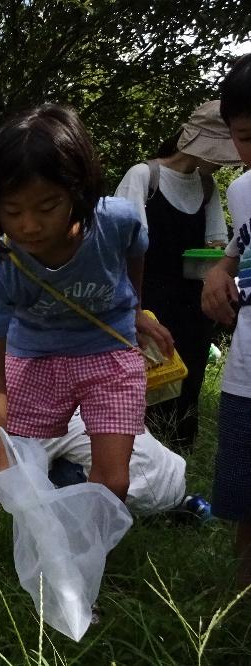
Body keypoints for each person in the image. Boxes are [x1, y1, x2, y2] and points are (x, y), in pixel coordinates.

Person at [0, 104, 173, 615]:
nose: (29, 225)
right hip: (36, 361)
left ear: (78, 192)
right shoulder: (1, 271)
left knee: (113, 480)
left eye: (46, 206)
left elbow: (134, 256)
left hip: (108, 353)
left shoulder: (116, 221)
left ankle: (75, 583)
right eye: (12, 210)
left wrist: (134, 311)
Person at [115, 101, 241, 451]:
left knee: (186, 394)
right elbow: (121, 249)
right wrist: (133, 312)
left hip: (193, 309)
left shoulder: (208, 187)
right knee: (141, 396)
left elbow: (218, 246)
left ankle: (176, 484)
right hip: (146, 307)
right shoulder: (144, 176)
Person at [200, 53, 251, 587]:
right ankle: (238, 609)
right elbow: (239, 250)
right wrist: (221, 269)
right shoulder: (241, 190)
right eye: (245, 137)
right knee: (243, 504)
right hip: (244, 376)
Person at [43, 410, 208, 519]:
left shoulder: (46, 420)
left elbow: (26, 471)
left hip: (131, 499)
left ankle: (88, 530)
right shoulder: (100, 394)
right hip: (173, 479)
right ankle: (185, 505)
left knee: (44, 469)